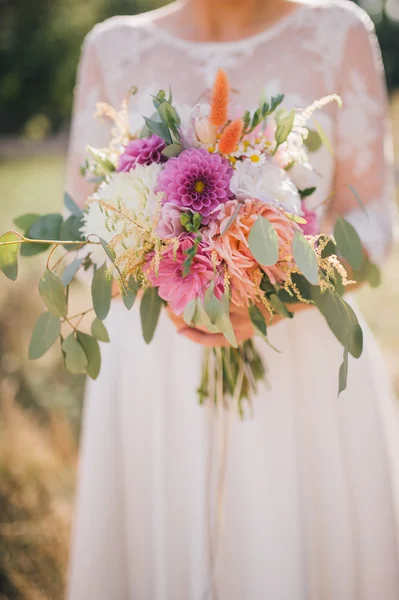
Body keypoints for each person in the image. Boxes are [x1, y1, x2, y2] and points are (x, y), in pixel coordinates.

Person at [66, 1, 399, 598]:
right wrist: (157, 252)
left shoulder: (339, 32)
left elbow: (373, 222)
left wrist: (273, 297)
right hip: (155, 364)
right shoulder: (112, 48)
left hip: (300, 360)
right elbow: (78, 232)